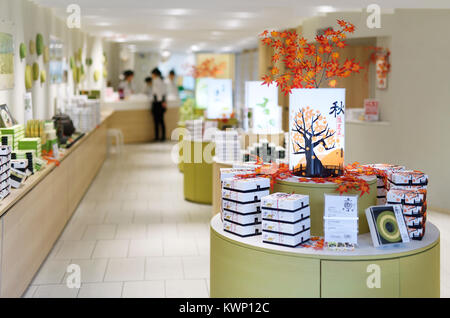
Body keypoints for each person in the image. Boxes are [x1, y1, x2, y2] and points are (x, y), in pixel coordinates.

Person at [150, 67, 167, 142]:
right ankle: (159, 137)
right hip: (158, 102)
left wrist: (163, 101)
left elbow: (161, 93)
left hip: (158, 103)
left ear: (155, 74)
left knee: (159, 121)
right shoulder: (159, 81)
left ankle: (160, 137)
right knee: (158, 121)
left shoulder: (158, 81)